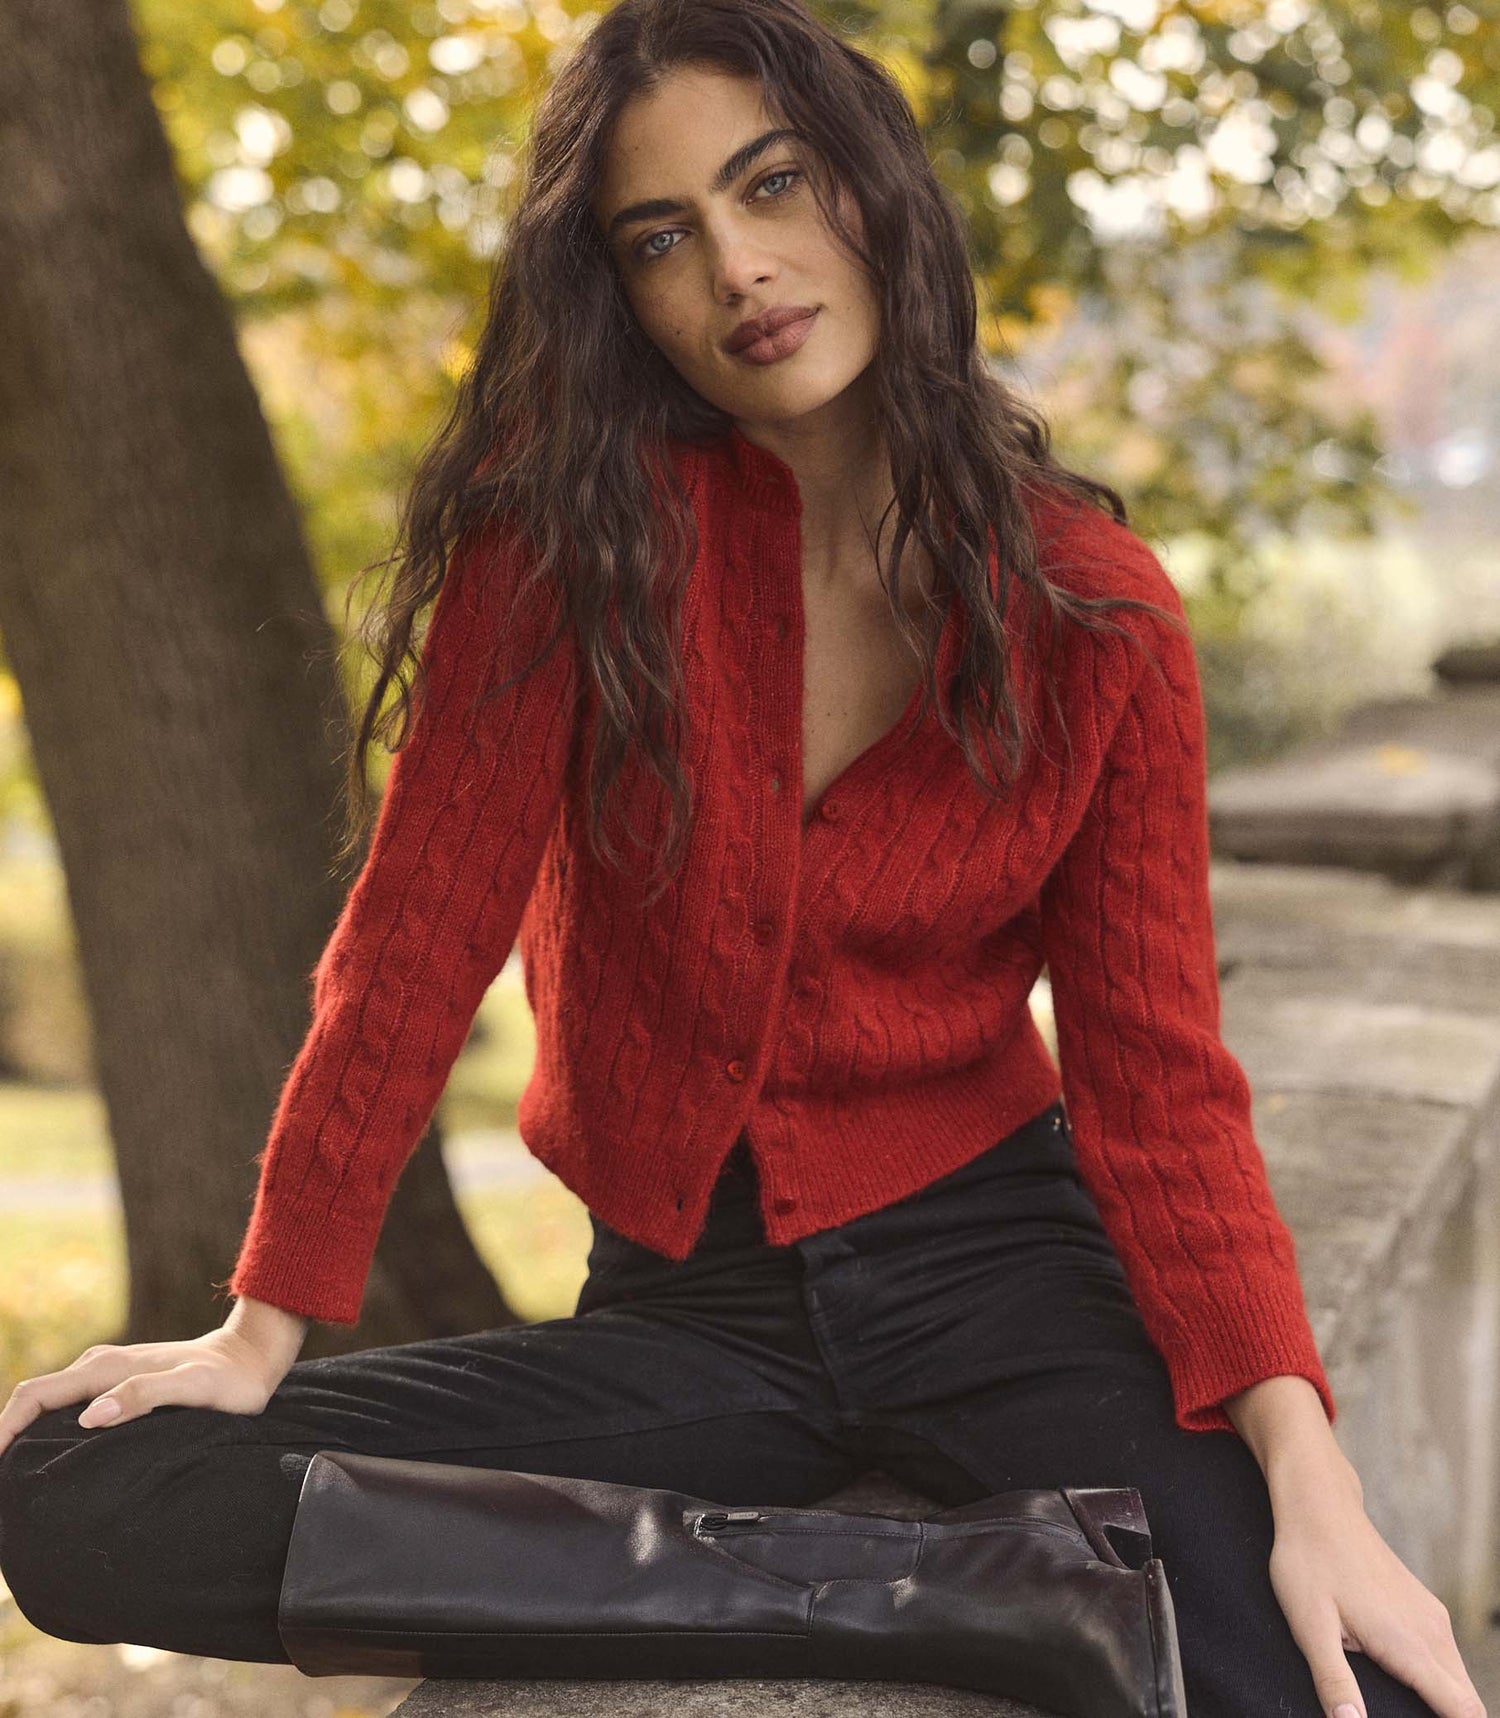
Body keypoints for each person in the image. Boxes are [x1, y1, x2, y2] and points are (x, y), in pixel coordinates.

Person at [0, 2, 1482, 1714]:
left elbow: (1159, 1083)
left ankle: (895, 1587)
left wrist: (1314, 1483)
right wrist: (259, 1329)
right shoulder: (564, 547)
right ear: (620, 293)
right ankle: (964, 1599)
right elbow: (408, 950)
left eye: (772, 185)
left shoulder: (1092, 615)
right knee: (79, 1488)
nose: (741, 269)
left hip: (1000, 1270)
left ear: (870, 191)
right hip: (687, 1308)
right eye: (663, 237)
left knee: (1321, 1671)